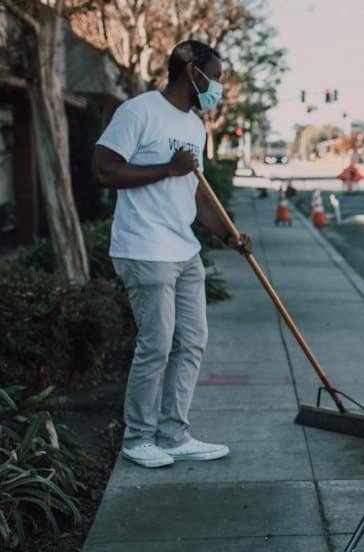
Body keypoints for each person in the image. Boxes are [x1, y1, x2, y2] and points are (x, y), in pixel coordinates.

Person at [93, 40, 251, 469]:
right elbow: (103, 168)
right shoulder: (139, 111)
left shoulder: (195, 126)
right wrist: (166, 168)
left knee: (192, 342)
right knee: (156, 345)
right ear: (190, 71)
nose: (218, 86)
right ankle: (139, 439)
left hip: (184, 248)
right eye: (215, 77)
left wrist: (228, 235)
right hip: (145, 247)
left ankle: (175, 434)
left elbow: (197, 196)